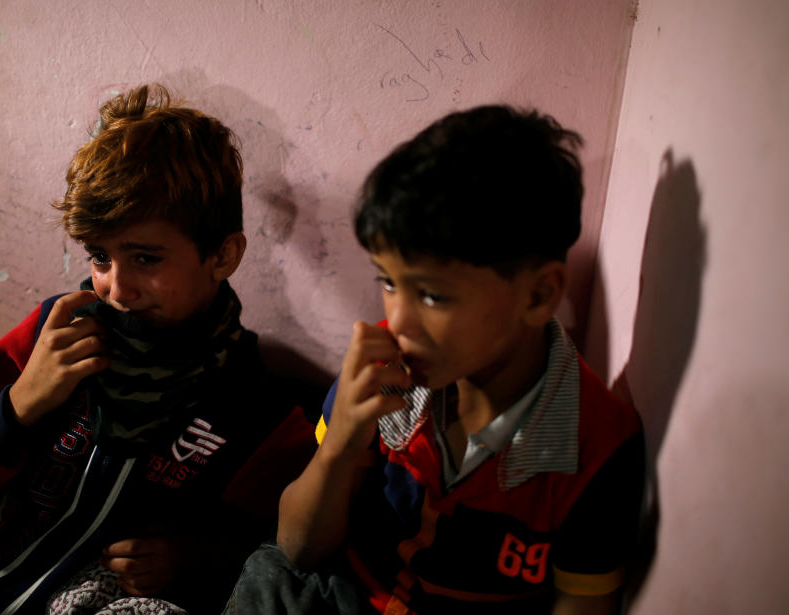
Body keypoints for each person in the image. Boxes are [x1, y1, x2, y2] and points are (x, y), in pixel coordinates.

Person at [0, 84, 316, 614]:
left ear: (222, 255)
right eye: (100, 257)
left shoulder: (257, 410)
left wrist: (193, 559)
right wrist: (17, 408)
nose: (116, 288)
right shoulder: (54, 333)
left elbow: (272, 551)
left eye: (146, 259)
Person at [224, 106, 646, 615]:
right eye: (387, 281)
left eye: (432, 295)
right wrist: (340, 445)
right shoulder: (381, 369)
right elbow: (298, 548)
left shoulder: (597, 443)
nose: (398, 323)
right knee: (269, 573)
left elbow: (584, 601)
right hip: (346, 593)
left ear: (538, 295)